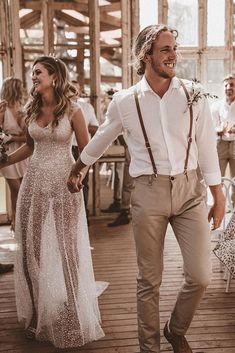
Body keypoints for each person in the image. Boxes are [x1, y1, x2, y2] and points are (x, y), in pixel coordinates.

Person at [67, 24, 225, 353]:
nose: (173, 55)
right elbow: (102, 138)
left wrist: (218, 193)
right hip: (147, 191)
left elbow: (207, 145)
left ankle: (175, 329)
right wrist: (79, 166)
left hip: (190, 191)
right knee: (148, 281)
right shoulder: (125, 101)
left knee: (200, 276)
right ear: (146, 55)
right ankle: (148, 348)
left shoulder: (193, 93)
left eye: (174, 48)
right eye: (165, 49)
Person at [0, 56, 106, 349]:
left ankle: (74, 307)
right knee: (29, 250)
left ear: (54, 77)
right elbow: (30, 147)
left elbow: (87, 150)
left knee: (67, 248)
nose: (33, 77)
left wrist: (79, 175)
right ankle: (35, 313)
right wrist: (4, 160)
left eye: (38, 72)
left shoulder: (74, 110)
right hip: (33, 184)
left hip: (63, 185)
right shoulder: (31, 109)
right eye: (32, 72)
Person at [0, 78, 29, 231]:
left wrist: (13, 137)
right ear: (14, 88)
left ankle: (19, 221)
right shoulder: (2, 108)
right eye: (21, 87)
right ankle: (16, 222)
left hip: (24, 150)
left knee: (23, 189)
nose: (23, 89)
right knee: (16, 189)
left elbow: (30, 137)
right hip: (7, 153)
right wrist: (6, 138)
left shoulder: (24, 109)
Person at [71, 81, 99, 221]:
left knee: (83, 182)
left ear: (79, 90)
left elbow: (95, 127)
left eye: (76, 88)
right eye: (70, 87)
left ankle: (83, 216)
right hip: (67, 148)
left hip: (82, 148)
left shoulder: (87, 107)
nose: (73, 91)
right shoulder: (60, 107)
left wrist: (80, 127)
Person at [211, 74, 235, 205]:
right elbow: (211, 127)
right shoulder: (216, 106)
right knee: (217, 177)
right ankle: (218, 206)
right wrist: (219, 130)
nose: (229, 88)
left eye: (232, 85)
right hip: (220, 144)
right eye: (226, 85)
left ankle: (234, 212)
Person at [107, 139, 134, 227]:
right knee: (129, 184)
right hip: (134, 147)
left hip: (133, 147)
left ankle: (125, 212)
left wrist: (125, 145)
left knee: (128, 184)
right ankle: (125, 211)